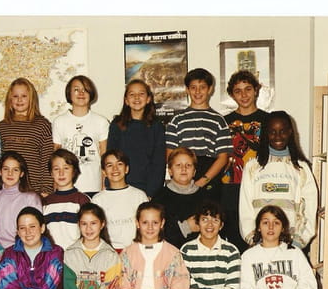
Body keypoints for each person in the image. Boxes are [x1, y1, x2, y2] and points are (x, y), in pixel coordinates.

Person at [239, 110, 318, 249]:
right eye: (272, 132)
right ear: (265, 134)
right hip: (260, 244)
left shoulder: (301, 168)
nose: (278, 136)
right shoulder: (253, 167)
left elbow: (310, 209)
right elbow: (245, 208)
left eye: (282, 131)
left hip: (291, 245)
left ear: (290, 132)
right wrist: (254, 240)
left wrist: (297, 242)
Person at [165, 68, 232, 201]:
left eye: (202, 87)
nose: (197, 92)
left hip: (210, 175)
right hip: (183, 175)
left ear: (210, 89)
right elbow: (170, 155)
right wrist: (181, 181)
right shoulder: (177, 120)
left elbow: (223, 158)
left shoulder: (218, 120)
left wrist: (203, 181)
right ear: (187, 89)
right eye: (193, 87)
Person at [220, 70, 269, 252]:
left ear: (256, 90)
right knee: (234, 240)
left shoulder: (268, 120)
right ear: (231, 94)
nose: (244, 95)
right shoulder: (223, 122)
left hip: (259, 185)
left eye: (248, 89)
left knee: (262, 237)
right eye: (238, 91)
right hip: (231, 186)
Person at [107, 79, 166, 197]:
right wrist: (111, 185)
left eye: (141, 94)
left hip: (147, 189)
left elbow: (158, 163)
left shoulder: (156, 126)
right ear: (126, 101)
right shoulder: (117, 125)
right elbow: (110, 158)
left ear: (148, 99)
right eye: (132, 94)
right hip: (120, 186)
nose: (137, 97)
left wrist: (150, 193)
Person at [0, 78, 55, 196]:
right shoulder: (2, 127)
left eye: (24, 96)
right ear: (9, 99)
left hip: (34, 190)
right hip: (8, 190)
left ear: (31, 99)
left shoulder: (42, 125)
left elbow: (47, 159)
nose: (19, 100)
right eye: (15, 96)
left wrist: (46, 189)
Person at [52, 75, 109, 196]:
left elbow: (104, 156)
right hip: (67, 186)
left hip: (93, 185)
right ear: (69, 93)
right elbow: (55, 157)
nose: (81, 93)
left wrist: (104, 185)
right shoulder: (59, 122)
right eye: (76, 89)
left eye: (85, 89)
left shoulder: (101, 122)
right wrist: (55, 186)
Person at [91, 149, 148, 251]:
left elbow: (146, 226)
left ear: (126, 169)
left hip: (135, 250)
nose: (115, 169)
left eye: (119, 164)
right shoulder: (97, 200)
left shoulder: (139, 196)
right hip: (107, 251)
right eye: (109, 165)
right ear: (104, 172)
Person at [153, 146, 209, 249]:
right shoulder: (159, 198)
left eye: (188, 165)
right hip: (169, 252)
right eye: (178, 165)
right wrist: (186, 227)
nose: (184, 169)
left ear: (194, 172)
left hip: (199, 252)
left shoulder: (205, 197)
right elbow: (155, 232)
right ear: (170, 171)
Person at [0, 150, 43, 248]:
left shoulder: (31, 198)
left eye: (15, 170)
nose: (10, 173)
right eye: (6, 169)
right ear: (0, 172)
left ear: (22, 173)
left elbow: (36, 231)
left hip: (22, 250)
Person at [42, 149, 90, 250]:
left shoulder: (82, 200)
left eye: (66, 168)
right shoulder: (45, 202)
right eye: (56, 169)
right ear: (51, 173)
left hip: (76, 254)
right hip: (52, 255)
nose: (61, 173)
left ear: (74, 172)